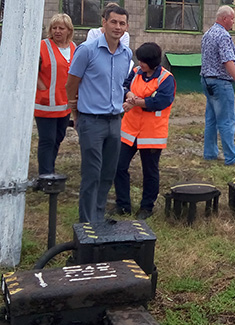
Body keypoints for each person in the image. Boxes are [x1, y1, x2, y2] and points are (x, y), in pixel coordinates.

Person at [66, 5, 132, 223]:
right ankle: (86, 224)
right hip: (91, 120)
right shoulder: (87, 50)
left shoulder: (126, 54)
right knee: (92, 174)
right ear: (104, 22)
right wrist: (76, 112)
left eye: (122, 23)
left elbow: (118, 85)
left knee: (108, 173)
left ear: (127, 26)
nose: (117, 27)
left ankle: (98, 217)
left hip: (115, 121)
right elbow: (72, 84)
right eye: (113, 22)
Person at [113, 43, 175, 220]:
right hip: (129, 130)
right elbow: (123, 86)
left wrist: (136, 102)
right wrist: (128, 94)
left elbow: (160, 102)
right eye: (139, 60)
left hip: (152, 133)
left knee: (150, 171)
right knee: (119, 166)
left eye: (143, 61)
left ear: (153, 62)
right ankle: (123, 205)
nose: (140, 64)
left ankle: (147, 207)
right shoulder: (135, 72)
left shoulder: (166, 78)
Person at [200, 6, 235, 166]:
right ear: (224, 18)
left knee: (211, 119)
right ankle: (232, 158)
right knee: (227, 120)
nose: (233, 22)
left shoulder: (208, 34)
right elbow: (227, 61)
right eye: (232, 19)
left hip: (207, 80)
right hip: (221, 82)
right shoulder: (223, 35)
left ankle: (210, 153)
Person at [34, 13, 76, 175]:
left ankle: (49, 168)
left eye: (61, 28)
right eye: (54, 28)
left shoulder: (73, 48)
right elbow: (31, 70)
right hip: (45, 103)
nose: (57, 31)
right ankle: (45, 175)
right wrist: (41, 85)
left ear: (68, 30)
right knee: (47, 140)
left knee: (58, 137)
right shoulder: (42, 46)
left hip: (64, 104)